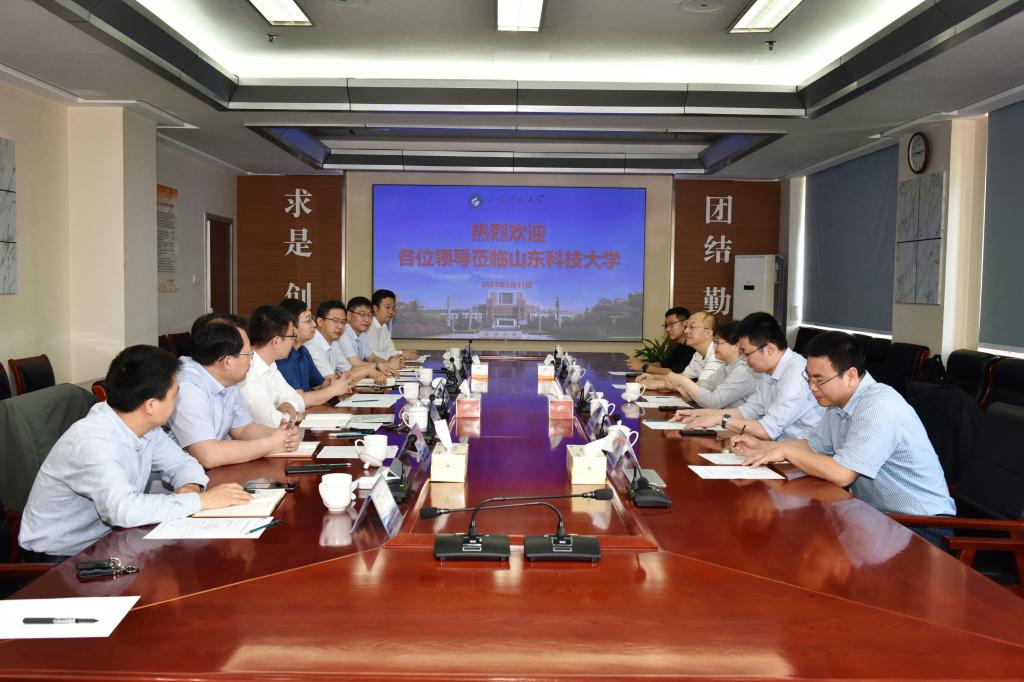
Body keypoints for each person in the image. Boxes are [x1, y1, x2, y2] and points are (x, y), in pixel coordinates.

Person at [18, 345, 252, 561]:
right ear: (151, 405)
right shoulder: (93, 442)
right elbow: (123, 510)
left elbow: (183, 464)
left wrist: (190, 487)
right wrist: (200, 501)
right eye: (175, 396)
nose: (177, 402)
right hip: (60, 559)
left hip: (112, 541)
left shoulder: (144, 426)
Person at [731, 331, 956, 536]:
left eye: (819, 380)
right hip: (876, 519)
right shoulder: (838, 404)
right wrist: (764, 447)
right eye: (809, 378)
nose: (812, 387)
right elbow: (813, 445)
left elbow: (842, 474)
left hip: (922, 527)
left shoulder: (877, 407)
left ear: (850, 376)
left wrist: (785, 451)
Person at [168, 315, 300, 468]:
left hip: (210, 471)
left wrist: (282, 435)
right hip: (177, 479)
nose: (252, 359)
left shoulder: (227, 379)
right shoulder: (187, 387)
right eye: (249, 353)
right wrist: (271, 444)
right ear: (227, 361)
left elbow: (244, 429)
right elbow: (209, 455)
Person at [671, 311, 823, 440]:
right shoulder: (768, 370)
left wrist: (720, 420)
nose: (744, 359)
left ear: (769, 349)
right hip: (774, 448)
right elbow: (748, 411)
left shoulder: (796, 376)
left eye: (746, 353)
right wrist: (696, 414)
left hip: (798, 455)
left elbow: (768, 430)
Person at [663, 321, 758, 408]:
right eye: (714, 342)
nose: (714, 346)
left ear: (736, 345)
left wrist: (682, 380)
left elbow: (713, 402)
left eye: (717, 342)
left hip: (737, 419)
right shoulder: (725, 366)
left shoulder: (744, 370)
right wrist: (677, 385)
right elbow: (700, 392)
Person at [277, 298, 353, 406]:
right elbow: (299, 399)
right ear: (291, 326)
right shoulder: (282, 357)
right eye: (308, 320)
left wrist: (334, 382)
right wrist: (334, 389)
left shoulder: (303, 350)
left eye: (312, 319)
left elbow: (318, 386)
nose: (314, 324)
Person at [239, 305, 306, 427]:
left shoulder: (270, 366)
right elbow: (273, 422)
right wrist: (294, 416)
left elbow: (298, 399)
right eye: (292, 336)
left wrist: (287, 405)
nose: (293, 341)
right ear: (276, 341)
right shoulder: (247, 372)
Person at [640, 311, 722, 389]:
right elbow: (683, 377)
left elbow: (700, 389)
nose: (685, 331)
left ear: (708, 333)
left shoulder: (717, 355)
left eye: (692, 327)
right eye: (686, 327)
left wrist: (663, 385)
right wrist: (654, 377)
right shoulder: (698, 354)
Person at [340, 296, 400, 374]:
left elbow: (372, 358)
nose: (367, 319)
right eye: (362, 314)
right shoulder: (343, 334)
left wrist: (389, 363)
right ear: (349, 315)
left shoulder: (362, 335)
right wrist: (385, 365)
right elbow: (355, 364)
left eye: (370, 315)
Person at [626, 307, 694, 375]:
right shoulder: (681, 345)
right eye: (666, 325)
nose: (667, 329)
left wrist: (642, 367)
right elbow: (664, 364)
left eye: (671, 324)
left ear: (685, 324)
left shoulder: (692, 347)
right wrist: (640, 364)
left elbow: (674, 373)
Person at [365, 289, 417, 361]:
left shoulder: (383, 325)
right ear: (375, 308)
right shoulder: (368, 326)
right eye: (387, 307)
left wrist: (401, 354)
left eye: (393, 308)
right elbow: (372, 355)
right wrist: (401, 354)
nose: (391, 311)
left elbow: (390, 349)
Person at [305, 299, 350, 377]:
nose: (340, 326)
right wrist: (368, 370)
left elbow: (348, 370)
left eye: (343, 322)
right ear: (320, 321)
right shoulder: (312, 346)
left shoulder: (334, 342)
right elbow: (330, 379)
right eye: (335, 321)